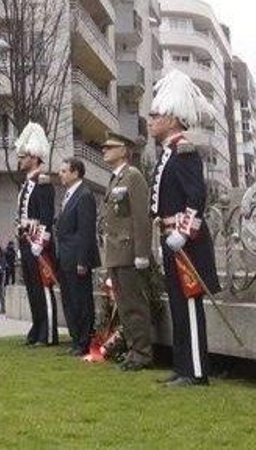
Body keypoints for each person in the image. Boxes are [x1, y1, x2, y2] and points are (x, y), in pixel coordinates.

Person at [149, 70, 223, 388]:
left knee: (190, 306)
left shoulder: (184, 151)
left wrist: (183, 231)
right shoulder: (168, 153)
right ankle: (183, 366)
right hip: (171, 239)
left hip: (185, 242)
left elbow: (196, 197)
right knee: (179, 305)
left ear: (172, 118)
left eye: (155, 115)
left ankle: (196, 371)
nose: (150, 121)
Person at [100, 138, 156, 372]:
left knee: (134, 305)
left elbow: (141, 217)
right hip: (115, 251)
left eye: (109, 147)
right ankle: (133, 351)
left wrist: (142, 252)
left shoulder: (132, 176)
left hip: (129, 251)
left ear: (124, 151)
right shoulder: (115, 179)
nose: (104, 150)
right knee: (124, 306)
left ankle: (142, 353)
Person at [13, 135, 59, 346]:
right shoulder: (28, 183)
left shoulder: (42, 182)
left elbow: (46, 217)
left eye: (23, 156)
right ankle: (37, 327)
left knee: (43, 287)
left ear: (34, 157)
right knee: (32, 288)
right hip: (26, 241)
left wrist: (41, 242)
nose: (20, 160)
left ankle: (48, 333)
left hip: (38, 244)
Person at [54, 157, 100, 356]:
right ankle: (75, 340)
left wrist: (83, 260)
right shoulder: (69, 194)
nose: (60, 174)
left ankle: (84, 341)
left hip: (77, 258)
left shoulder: (84, 195)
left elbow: (86, 231)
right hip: (65, 257)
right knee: (69, 300)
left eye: (64, 171)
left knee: (80, 301)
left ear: (75, 172)